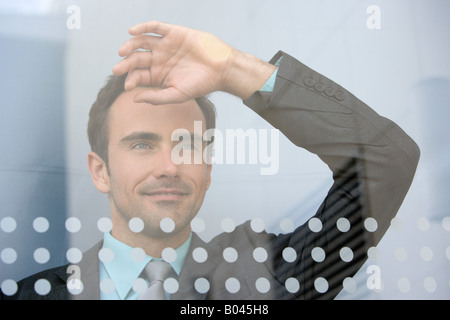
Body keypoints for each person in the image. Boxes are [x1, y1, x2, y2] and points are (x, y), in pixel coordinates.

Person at [2, 21, 419, 300]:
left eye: (187, 145)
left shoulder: (273, 276)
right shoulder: (31, 295)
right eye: (142, 144)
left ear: (208, 168)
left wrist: (232, 69)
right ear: (100, 170)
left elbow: (386, 161)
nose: (170, 166)